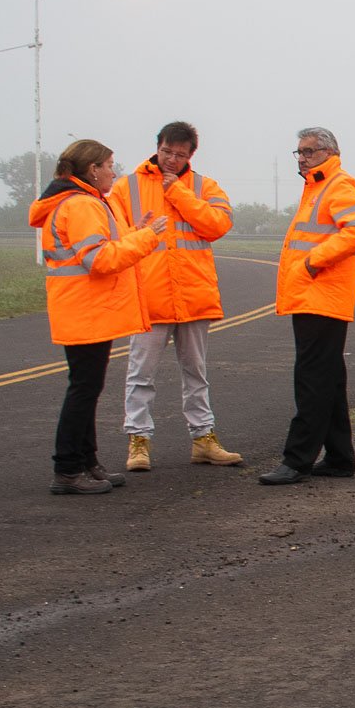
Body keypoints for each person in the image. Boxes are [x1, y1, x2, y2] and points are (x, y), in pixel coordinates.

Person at [28, 139, 170, 495]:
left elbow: (100, 248)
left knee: (87, 387)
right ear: (92, 170)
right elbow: (101, 260)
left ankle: (86, 462)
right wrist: (147, 239)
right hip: (86, 310)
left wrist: (135, 232)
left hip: (82, 309)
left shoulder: (77, 202)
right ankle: (67, 470)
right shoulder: (81, 205)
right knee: (84, 389)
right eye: (109, 165)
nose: (113, 171)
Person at [110, 121, 245, 472]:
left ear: (191, 155)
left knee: (195, 373)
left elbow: (218, 226)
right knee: (140, 374)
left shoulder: (204, 186)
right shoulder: (127, 187)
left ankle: (203, 439)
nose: (171, 159)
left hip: (193, 294)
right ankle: (138, 441)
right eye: (167, 151)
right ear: (157, 146)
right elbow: (111, 233)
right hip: (148, 296)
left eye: (180, 154)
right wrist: (135, 232)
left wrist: (179, 193)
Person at [259, 127, 355, 486]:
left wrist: (313, 261)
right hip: (313, 295)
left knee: (311, 379)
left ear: (329, 152)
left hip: (322, 295)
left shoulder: (339, 185)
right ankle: (340, 458)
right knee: (328, 378)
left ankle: (297, 460)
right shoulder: (316, 187)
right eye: (298, 152)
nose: (302, 157)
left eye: (309, 151)